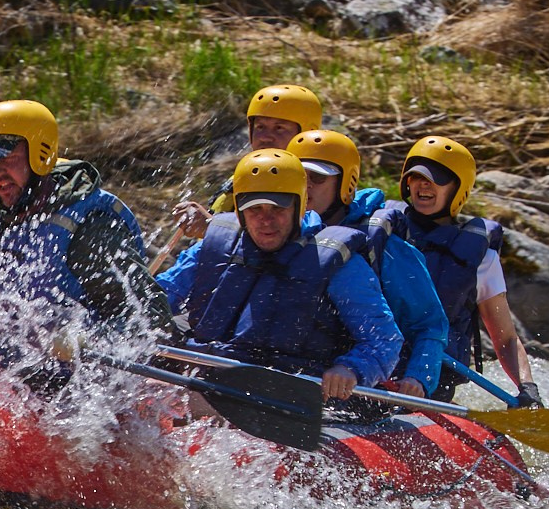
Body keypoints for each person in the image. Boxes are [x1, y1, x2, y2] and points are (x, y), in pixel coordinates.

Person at [0, 99, 173, 337]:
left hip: (76, 378)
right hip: (8, 369)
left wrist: (83, 342)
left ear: (39, 154)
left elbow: (152, 320)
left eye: (7, 159)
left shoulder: (90, 227)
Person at [157, 149, 402, 400]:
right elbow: (158, 297)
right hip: (208, 376)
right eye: (255, 210)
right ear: (240, 210)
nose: (266, 221)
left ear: (299, 205)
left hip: (289, 391)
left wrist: (350, 369)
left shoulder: (337, 263)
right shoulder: (214, 247)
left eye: (278, 209)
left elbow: (384, 339)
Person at [371, 136, 541, 407]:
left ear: (457, 189)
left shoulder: (480, 256)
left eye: (436, 179)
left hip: (432, 387)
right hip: (371, 371)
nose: (423, 184)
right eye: (416, 177)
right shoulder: (379, 230)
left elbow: (505, 338)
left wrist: (527, 386)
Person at [287, 128, 448, 398]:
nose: (305, 187)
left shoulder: (385, 247)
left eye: (317, 178)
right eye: (298, 178)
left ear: (345, 185)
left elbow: (430, 324)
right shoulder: (271, 229)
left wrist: (419, 377)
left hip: (361, 379)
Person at [170, 83, 325, 241]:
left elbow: (278, 247)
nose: (265, 137)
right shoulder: (244, 177)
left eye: (279, 128)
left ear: (307, 133)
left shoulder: (316, 187)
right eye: (260, 127)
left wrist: (212, 228)